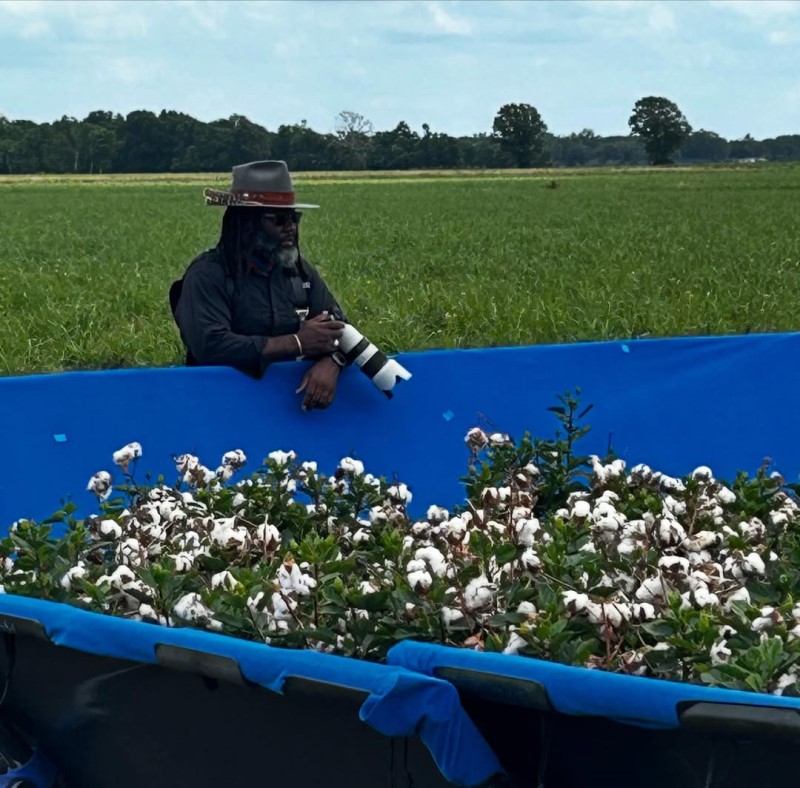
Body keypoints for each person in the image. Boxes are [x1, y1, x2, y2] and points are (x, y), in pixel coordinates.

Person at [171, 160, 349, 411]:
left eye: (294, 218)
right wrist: (296, 343)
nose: (291, 228)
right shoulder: (207, 275)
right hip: (220, 406)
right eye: (278, 220)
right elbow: (211, 346)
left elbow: (343, 329)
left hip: (291, 407)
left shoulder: (298, 271)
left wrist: (334, 361)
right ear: (247, 224)